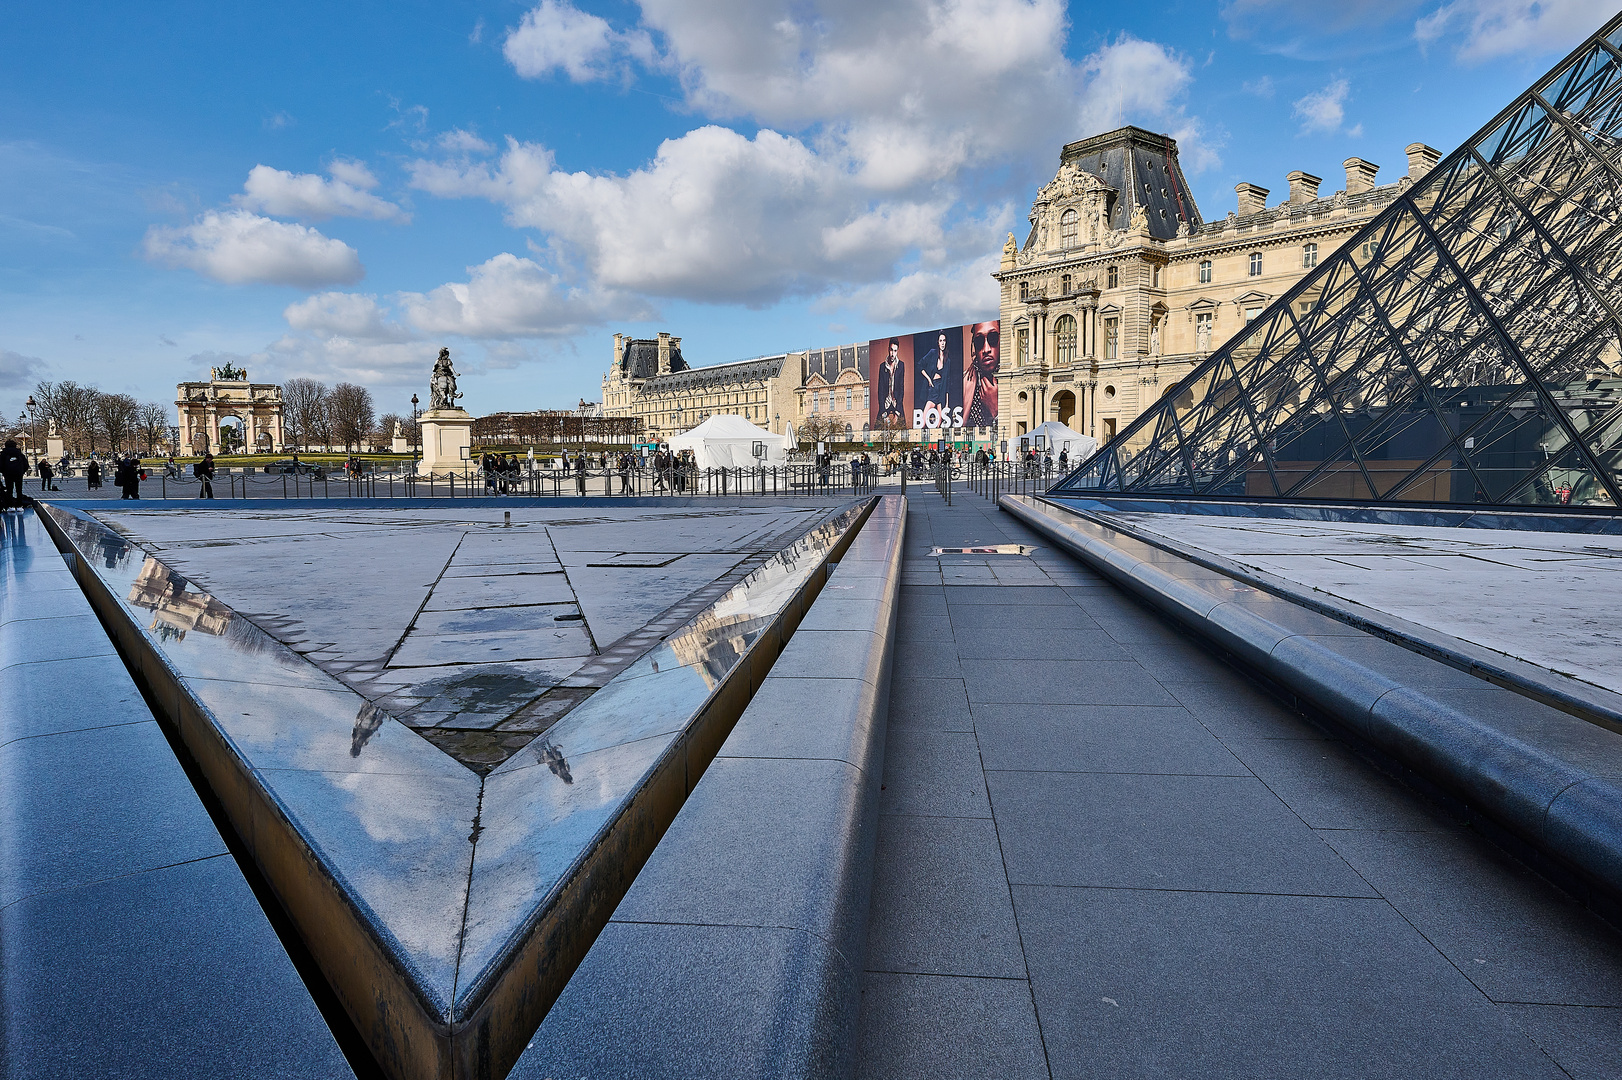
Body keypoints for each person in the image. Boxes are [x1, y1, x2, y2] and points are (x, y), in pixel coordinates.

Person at [964, 322, 999, 428]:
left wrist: (996, 410)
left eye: (992, 338)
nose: (986, 349)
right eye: (979, 341)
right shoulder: (965, 382)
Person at [875, 337, 905, 426]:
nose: (893, 353)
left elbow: (901, 389)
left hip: (896, 403)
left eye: (895, 351)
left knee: (904, 430)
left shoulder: (901, 365)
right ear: (888, 349)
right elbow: (880, 391)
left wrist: (897, 414)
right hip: (885, 403)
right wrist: (884, 414)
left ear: (897, 351)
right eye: (891, 350)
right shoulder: (882, 366)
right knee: (877, 429)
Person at [1, 439, 28, 508]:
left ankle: (10, 506)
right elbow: (26, 464)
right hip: (18, 474)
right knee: (19, 490)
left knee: (9, 490)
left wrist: (4, 472)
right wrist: (22, 471)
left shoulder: (3, 454)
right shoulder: (19, 453)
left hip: (8, 474)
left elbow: (0, 465)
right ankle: (19, 505)